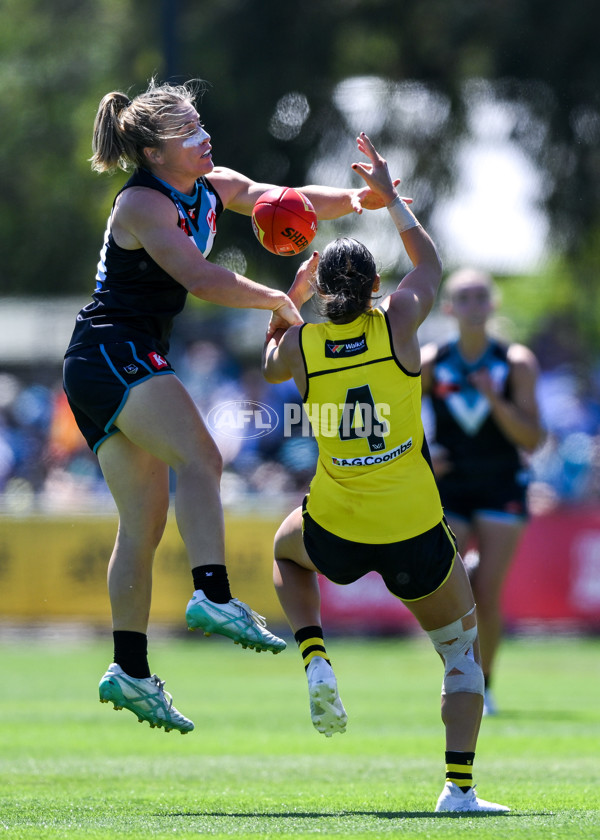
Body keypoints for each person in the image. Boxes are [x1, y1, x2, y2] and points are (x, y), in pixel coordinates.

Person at [63, 79, 394, 735]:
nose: (204, 134)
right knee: (203, 454)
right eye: (189, 128)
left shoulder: (209, 186)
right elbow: (203, 279)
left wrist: (363, 199)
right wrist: (276, 300)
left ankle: (129, 668)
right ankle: (212, 594)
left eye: (200, 122)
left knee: (144, 522)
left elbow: (283, 201)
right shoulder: (140, 203)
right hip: (108, 350)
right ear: (156, 150)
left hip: (118, 357)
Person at [262, 132, 509, 813]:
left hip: (338, 523)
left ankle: (313, 654)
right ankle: (458, 790)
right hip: (414, 526)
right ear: (374, 287)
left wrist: (294, 290)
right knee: (462, 656)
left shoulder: (307, 345)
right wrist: (392, 195)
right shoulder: (398, 324)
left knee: (286, 550)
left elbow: (269, 355)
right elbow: (429, 264)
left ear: (322, 293)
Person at [421, 268, 544, 715]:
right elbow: (399, 418)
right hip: (450, 487)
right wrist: (425, 456)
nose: (473, 305)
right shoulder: (433, 360)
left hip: (501, 485)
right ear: (450, 309)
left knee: (486, 591)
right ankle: (458, 672)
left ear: (492, 305)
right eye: (463, 298)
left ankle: (484, 685)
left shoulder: (515, 362)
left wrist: (495, 399)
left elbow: (533, 438)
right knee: (447, 589)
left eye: (481, 297)